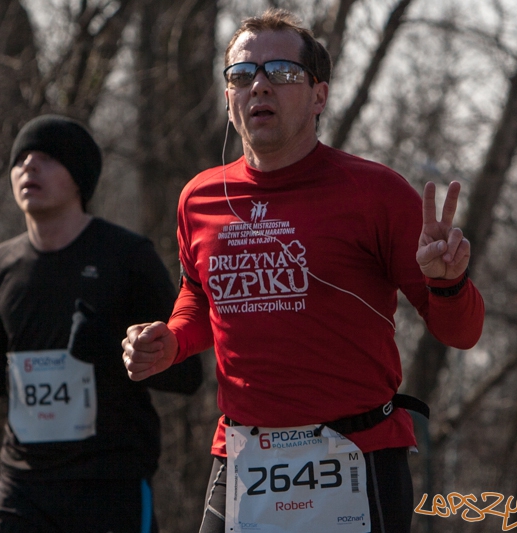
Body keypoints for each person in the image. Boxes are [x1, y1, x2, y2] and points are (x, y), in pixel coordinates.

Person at [121, 9, 484, 533]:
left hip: (357, 455)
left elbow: (463, 332)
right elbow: (201, 300)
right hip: (245, 457)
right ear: (228, 99)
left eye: (282, 73)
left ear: (320, 95)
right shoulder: (199, 198)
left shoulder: (375, 193)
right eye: (242, 75)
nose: (259, 86)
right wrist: (170, 341)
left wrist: (448, 282)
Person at [0, 114, 203, 533]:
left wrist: (108, 351)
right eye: (21, 158)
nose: (29, 166)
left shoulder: (126, 256)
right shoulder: (2, 263)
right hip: (23, 483)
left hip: (107, 481)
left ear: (79, 176)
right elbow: (10, 371)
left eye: (46, 158)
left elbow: (188, 375)